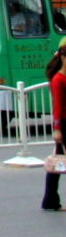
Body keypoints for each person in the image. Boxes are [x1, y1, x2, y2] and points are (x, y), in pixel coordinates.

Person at [42, 38, 66, 210]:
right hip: (64, 123)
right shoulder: (58, 79)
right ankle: (50, 200)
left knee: (57, 164)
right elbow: (58, 105)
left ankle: (50, 200)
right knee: (58, 163)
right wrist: (57, 129)